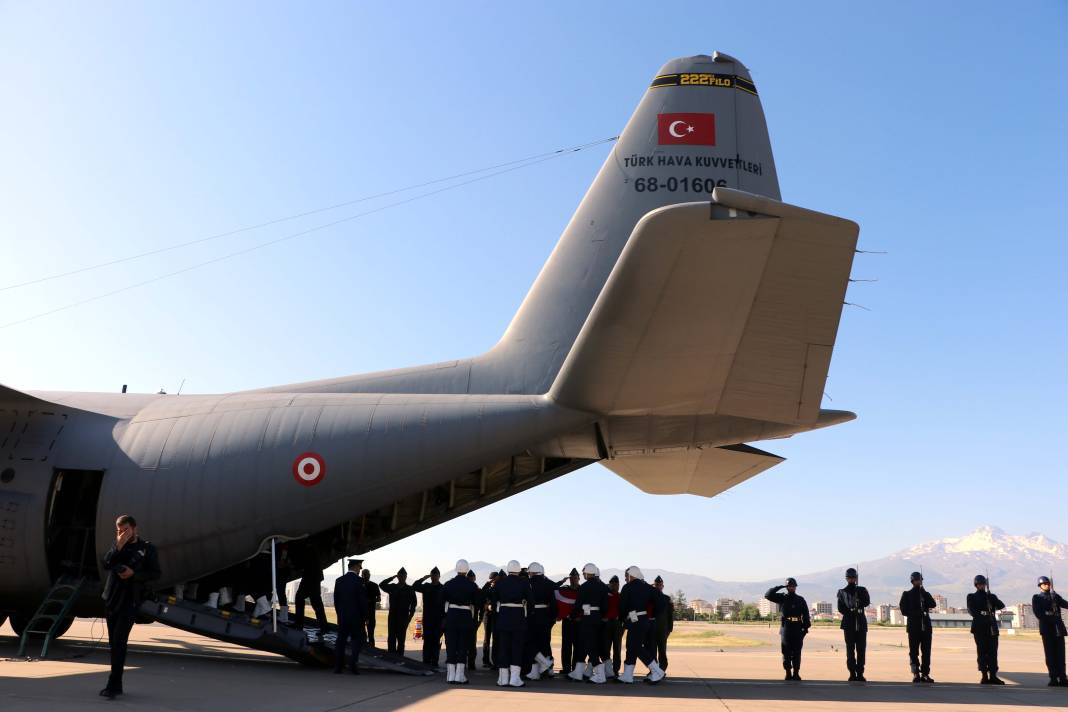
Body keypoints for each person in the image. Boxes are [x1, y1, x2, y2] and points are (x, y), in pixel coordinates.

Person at [100, 514, 160, 699]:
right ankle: (116, 684)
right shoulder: (117, 546)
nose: (123, 534)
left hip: (130, 600)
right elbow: (106, 563)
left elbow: (155, 573)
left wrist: (134, 573)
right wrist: (118, 545)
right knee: (113, 644)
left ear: (135, 528)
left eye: (126, 530)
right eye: (119, 531)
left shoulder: (147, 549)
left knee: (119, 641)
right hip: (112, 599)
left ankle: (113, 684)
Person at [617, 566, 665, 684]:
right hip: (644, 620)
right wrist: (653, 614)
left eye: (626, 575)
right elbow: (662, 601)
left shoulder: (627, 587)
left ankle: (657, 671)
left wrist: (622, 620)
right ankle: (628, 674)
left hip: (635, 621)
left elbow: (622, 607)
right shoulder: (648, 587)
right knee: (631, 646)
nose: (625, 578)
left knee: (635, 647)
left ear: (632, 575)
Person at [493, 560, 533, 687]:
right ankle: (514, 678)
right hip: (518, 619)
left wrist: (499, 610)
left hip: (503, 618)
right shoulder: (524, 583)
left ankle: (503, 678)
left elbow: (493, 599)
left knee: (503, 648)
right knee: (517, 648)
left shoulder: (501, 582)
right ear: (519, 570)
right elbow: (531, 601)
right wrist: (527, 613)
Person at [568, 562, 609, 684]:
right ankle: (578, 672)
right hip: (597, 619)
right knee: (583, 644)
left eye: (584, 573)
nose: (584, 575)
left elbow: (578, 604)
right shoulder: (602, 586)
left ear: (587, 573)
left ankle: (600, 674)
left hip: (587, 619)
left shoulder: (584, 587)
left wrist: (572, 615)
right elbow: (605, 606)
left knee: (590, 646)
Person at [442, 559, 480, 684]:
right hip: (465, 617)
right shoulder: (472, 585)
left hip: (451, 616)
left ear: (456, 569)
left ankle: (450, 675)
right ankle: (459, 675)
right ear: (467, 570)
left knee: (451, 645)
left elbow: (440, 600)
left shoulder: (448, 584)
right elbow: (477, 602)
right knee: (463, 645)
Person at [765, 578, 811, 681]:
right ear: (787, 587)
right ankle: (788, 672)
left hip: (798, 627)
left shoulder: (800, 599)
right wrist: (780, 587)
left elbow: (806, 615)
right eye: (789, 586)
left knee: (797, 652)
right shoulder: (782, 598)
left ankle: (796, 673)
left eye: (793, 586)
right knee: (786, 652)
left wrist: (805, 628)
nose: (791, 587)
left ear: (795, 587)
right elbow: (768, 595)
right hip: (786, 627)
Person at [967, 574, 1005, 684]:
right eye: (979, 584)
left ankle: (993, 675)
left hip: (991, 626)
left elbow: (1001, 605)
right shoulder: (971, 596)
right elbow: (971, 611)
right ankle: (984, 675)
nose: (982, 586)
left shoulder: (991, 596)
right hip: (979, 627)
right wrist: (983, 615)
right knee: (982, 652)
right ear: (976, 585)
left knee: (993, 652)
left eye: (983, 584)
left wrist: (991, 597)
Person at [899, 571, 936, 683]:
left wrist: (924, 593)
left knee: (926, 651)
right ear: (912, 581)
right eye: (916, 580)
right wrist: (916, 613)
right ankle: (916, 673)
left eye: (920, 580)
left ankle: (925, 673)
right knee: (914, 651)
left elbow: (933, 604)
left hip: (926, 626)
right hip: (914, 626)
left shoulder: (925, 593)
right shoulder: (907, 594)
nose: (918, 582)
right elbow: (904, 610)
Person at [333, 559, 368, 674]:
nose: (359, 570)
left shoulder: (339, 581)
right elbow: (362, 601)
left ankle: (338, 666)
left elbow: (336, 601)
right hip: (356, 618)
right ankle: (353, 664)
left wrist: (340, 614)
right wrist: (365, 616)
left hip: (343, 616)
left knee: (341, 641)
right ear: (355, 567)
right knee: (356, 641)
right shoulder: (360, 581)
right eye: (359, 567)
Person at [523, 562, 557, 680]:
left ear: (532, 572)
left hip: (532, 616)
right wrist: (552, 617)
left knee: (529, 643)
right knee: (544, 643)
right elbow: (553, 602)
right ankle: (536, 671)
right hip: (545, 617)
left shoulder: (527, 583)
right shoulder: (548, 584)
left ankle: (544, 664)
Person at [1032, 576, 1068, 686]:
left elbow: (1065, 604)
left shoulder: (1055, 596)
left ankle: (1062, 677)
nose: (1047, 585)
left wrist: (1055, 598)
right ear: (1040, 586)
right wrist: (1051, 618)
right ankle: (1053, 677)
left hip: (1058, 628)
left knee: (1060, 654)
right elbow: (1038, 613)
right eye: (1044, 584)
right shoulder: (1037, 598)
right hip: (1047, 628)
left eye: (1048, 583)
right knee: (1050, 654)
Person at [836, 567, 870, 682]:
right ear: (847, 579)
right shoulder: (842, 592)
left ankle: (860, 673)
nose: (851, 580)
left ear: (856, 578)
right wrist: (851, 610)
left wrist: (859, 599)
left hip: (860, 622)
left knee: (861, 649)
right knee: (850, 649)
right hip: (849, 623)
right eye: (849, 578)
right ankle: (852, 673)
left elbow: (866, 602)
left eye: (853, 578)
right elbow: (840, 608)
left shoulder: (862, 590)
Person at [292, 541, 328, 634]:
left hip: (310, 578)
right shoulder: (313, 548)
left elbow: (302, 563)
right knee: (316, 602)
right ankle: (324, 627)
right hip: (314, 578)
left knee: (300, 598)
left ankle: (299, 624)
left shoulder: (308, 549)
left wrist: (293, 565)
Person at [380, 567, 417, 654]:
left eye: (403, 576)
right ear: (398, 577)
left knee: (401, 640)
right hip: (392, 617)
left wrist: (409, 618)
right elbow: (381, 584)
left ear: (406, 577)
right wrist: (392, 578)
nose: (402, 577)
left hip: (403, 617)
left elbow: (413, 605)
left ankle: (400, 658)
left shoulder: (410, 589)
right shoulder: (392, 587)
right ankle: (391, 658)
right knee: (391, 639)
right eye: (400, 576)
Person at [413, 567, 444, 667]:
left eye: (436, 575)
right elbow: (415, 586)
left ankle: (434, 661)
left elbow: (446, 605)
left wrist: (444, 619)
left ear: (439, 576)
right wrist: (423, 578)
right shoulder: (426, 586)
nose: (434, 577)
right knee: (427, 640)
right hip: (427, 618)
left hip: (438, 619)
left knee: (436, 641)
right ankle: (426, 660)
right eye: (432, 575)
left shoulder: (443, 588)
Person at [554, 568, 580, 674]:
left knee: (578, 646)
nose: (573, 580)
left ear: (579, 578)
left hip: (578, 622)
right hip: (567, 621)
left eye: (575, 578)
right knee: (566, 646)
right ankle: (566, 668)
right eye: (571, 578)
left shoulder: (582, 590)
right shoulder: (564, 589)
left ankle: (575, 668)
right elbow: (552, 589)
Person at [651, 575, 674, 673]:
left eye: (660, 585)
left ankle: (662, 669)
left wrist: (670, 629)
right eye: (656, 585)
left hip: (662, 629)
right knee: (652, 651)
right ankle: (653, 670)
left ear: (662, 586)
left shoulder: (667, 599)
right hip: (652, 628)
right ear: (654, 585)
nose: (658, 586)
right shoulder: (650, 598)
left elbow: (670, 616)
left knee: (662, 651)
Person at [603, 575, 622, 678]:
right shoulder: (605, 595)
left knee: (617, 649)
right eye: (612, 584)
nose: (614, 586)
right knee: (606, 648)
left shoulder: (621, 596)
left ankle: (615, 670)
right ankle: (608, 669)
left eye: (616, 584)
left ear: (619, 585)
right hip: (606, 624)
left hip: (617, 624)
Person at [480, 571, 498, 669]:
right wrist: (487, 607)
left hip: (495, 615)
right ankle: (486, 660)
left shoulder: (498, 588)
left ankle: (495, 660)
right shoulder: (487, 589)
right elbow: (482, 596)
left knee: (495, 639)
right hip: (487, 615)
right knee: (487, 639)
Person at [361, 569, 381, 645]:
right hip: (370, 612)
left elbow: (379, 599)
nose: (366, 576)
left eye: (367, 574)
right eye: (365, 574)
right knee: (370, 634)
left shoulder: (359, 585)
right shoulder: (375, 585)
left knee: (365, 634)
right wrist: (372, 600)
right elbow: (378, 599)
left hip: (363, 613)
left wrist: (366, 601)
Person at [466, 570, 480, 670]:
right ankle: (469, 663)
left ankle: (471, 663)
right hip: (468, 619)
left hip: (472, 619)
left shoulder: (475, 588)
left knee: (471, 643)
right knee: (468, 643)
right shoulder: (474, 588)